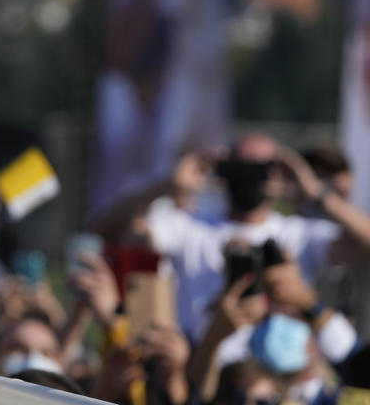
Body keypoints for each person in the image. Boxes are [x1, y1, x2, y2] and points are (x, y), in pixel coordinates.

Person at [93, 132, 370, 341]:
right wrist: (169, 185)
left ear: (279, 174)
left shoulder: (298, 234)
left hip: (272, 378)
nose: (250, 178)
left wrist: (315, 192)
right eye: (241, 167)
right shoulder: (190, 227)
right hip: (200, 370)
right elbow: (110, 229)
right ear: (226, 169)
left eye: (262, 168)